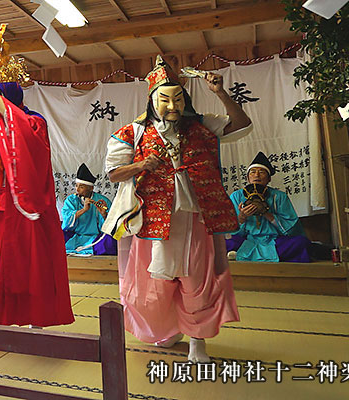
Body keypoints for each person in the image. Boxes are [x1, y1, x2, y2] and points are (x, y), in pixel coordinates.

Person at [103, 57, 248, 362]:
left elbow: (241, 124)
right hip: (152, 220)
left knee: (198, 280)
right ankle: (167, 331)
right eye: (165, 100)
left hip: (195, 217)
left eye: (178, 99)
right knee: (153, 287)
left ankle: (198, 340)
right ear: (152, 100)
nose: (172, 107)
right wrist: (142, 164)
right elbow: (113, 173)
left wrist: (220, 93)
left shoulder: (201, 125)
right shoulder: (133, 132)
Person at [0, 76, 74, 328]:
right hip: (2, 207)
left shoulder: (35, 123)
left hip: (28, 207)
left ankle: (37, 318)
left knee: (33, 265)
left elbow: (23, 139)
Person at [227, 152, 311, 263]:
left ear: (269, 178)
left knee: (301, 242)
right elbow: (230, 229)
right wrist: (242, 217)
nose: (256, 175)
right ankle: (243, 253)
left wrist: (267, 213)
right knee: (224, 243)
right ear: (248, 178)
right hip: (247, 239)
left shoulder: (279, 196)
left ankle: (240, 254)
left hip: (274, 240)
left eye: (261, 172)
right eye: (253, 172)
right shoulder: (237, 196)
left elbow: (291, 228)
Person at [61, 164, 114, 256]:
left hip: (95, 238)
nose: (77, 189)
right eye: (76, 186)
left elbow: (111, 225)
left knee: (111, 240)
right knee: (57, 235)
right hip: (75, 236)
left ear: (91, 188)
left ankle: (95, 249)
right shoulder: (71, 200)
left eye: (81, 187)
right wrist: (84, 210)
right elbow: (66, 221)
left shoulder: (103, 201)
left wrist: (104, 214)